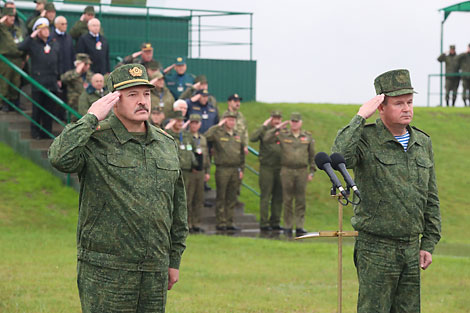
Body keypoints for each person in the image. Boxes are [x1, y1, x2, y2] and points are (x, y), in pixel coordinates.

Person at [49, 63, 189, 313]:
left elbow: (177, 207)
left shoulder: (165, 144)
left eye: (146, 94)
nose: (142, 101)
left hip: (154, 269)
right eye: (132, 95)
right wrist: (90, 118)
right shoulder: (95, 138)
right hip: (107, 270)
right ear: (114, 100)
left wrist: (173, 259)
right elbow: (59, 158)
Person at [332, 69, 441, 313]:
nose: (407, 109)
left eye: (410, 102)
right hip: (376, 248)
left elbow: (430, 196)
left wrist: (429, 242)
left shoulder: (423, 143)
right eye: (398, 103)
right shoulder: (366, 139)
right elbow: (341, 155)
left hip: (411, 247)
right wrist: (360, 117)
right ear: (381, 107)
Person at [264, 112, 316, 236]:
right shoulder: (283, 135)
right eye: (292, 121)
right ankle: (288, 226)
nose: (294, 124)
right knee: (287, 199)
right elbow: (266, 139)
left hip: (302, 170)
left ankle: (299, 225)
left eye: (296, 121)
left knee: (300, 199)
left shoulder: (307, 137)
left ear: (301, 123)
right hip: (287, 170)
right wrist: (277, 128)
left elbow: (312, 155)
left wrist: (312, 171)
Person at [18, 17, 61, 139]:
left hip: (52, 81)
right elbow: (21, 47)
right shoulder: (33, 43)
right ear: (38, 31)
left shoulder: (54, 43)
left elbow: (59, 61)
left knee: (49, 109)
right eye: (43, 29)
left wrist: (58, 78)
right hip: (39, 82)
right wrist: (32, 36)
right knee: (37, 109)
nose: (46, 31)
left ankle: (47, 132)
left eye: (47, 28)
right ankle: (35, 132)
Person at [205, 111, 245, 231]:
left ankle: (230, 221)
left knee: (232, 197)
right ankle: (221, 222)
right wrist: (218, 125)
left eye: (233, 120)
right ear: (224, 120)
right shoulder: (218, 133)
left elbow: (242, 154)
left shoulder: (238, 135)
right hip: (222, 168)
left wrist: (241, 169)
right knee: (221, 196)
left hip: (235, 168)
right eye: (229, 119)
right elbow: (206, 136)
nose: (231, 122)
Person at [249, 111, 283, 232]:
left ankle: (275, 221)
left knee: (279, 196)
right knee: (265, 195)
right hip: (267, 167)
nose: (277, 121)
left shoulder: (283, 131)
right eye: (274, 118)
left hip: (280, 167)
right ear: (270, 119)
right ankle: (264, 222)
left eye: (279, 118)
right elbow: (252, 138)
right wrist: (264, 125)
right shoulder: (265, 130)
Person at [186, 114, 210, 233]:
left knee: (199, 198)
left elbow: (207, 156)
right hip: (190, 172)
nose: (194, 125)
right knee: (188, 198)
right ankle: (188, 223)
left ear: (200, 124)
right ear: (189, 124)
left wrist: (207, 171)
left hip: (201, 172)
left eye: (196, 123)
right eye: (192, 123)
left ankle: (197, 223)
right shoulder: (186, 137)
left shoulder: (203, 138)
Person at [0, 7, 26, 112]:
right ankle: (4, 103)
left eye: (13, 16)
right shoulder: (2, 29)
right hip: (6, 59)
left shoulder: (16, 29)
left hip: (18, 59)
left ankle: (14, 103)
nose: (12, 18)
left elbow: (22, 42)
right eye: (10, 16)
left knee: (16, 82)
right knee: (5, 82)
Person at [61, 53, 93, 120]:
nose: (88, 66)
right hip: (75, 106)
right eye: (86, 64)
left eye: (89, 64)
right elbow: (63, 79)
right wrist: (77, 72)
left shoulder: (90, 75)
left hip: (87, 105)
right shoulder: (71, 74)